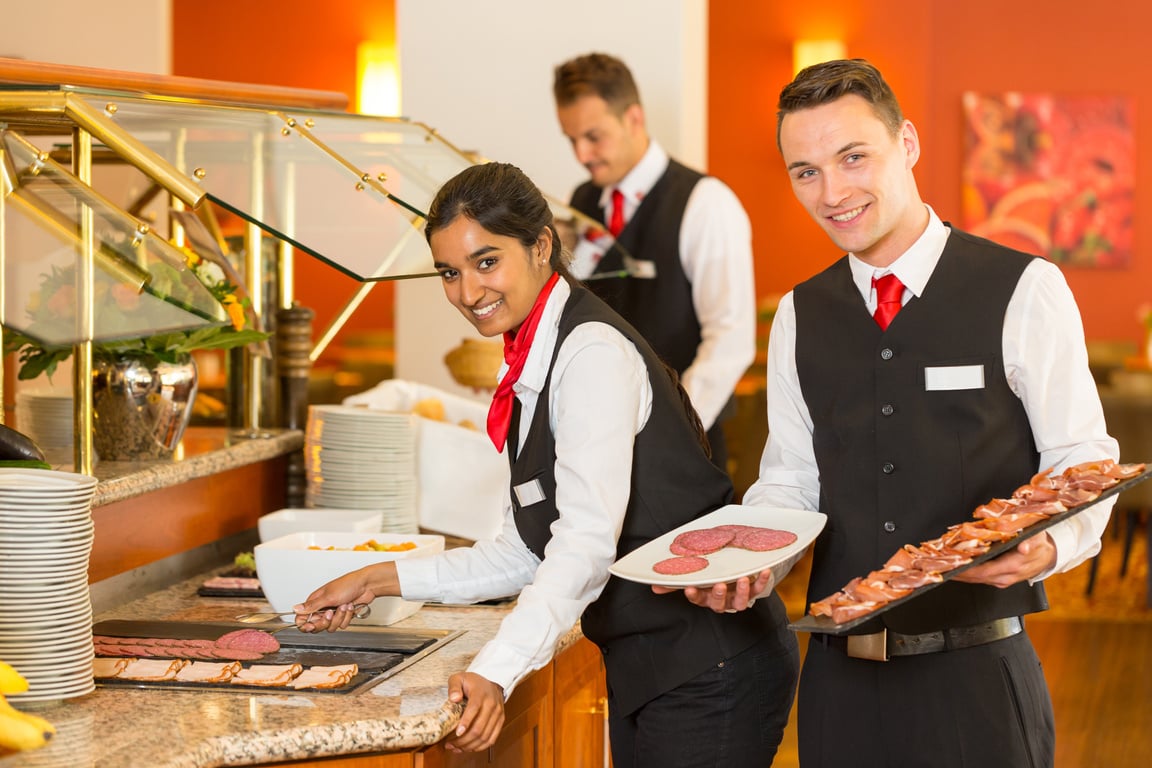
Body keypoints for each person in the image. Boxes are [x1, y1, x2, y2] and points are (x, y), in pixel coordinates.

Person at [292, 162, 799, 766]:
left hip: (710, 666)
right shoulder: (541, 354)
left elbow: (583, 544)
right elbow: (521, 551)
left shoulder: (589, 354)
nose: (468, 292)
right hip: (665, 667)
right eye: (449, 273)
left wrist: (496, 673)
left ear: (541, 246)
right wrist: (377, 578)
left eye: (487, 261)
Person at [691, 59, 1119, 767]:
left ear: (908, 144)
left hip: (978, 681)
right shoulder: (799, 313)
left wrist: (1052, 545)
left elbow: (1083, 456)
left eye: (853, 157)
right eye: (806, 172)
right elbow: (792, 479)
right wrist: (753, 560)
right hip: (838, 685)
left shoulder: (1023, 288)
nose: (833, 192)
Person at [553, 52, 756, 471]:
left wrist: (674, 427)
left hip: (682, 446)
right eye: (571, 140)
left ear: (633, 118)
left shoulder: (705, 203)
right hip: (596, 440)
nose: (582, 155)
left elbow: (730, 339)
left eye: (594, 136)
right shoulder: (582, 200)